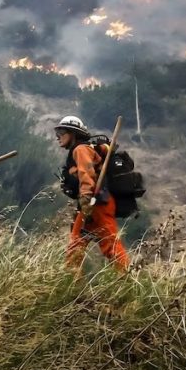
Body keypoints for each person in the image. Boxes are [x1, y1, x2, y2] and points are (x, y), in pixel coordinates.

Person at [55, 115, 129, 274]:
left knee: (110, 243)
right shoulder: (82, 149)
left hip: (97, 202)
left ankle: (126, 280)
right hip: (89, 204)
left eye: (61, 132)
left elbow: (86, 173)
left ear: (73, 133)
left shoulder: (81, 149)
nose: (58, 137)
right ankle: (70, 281)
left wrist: (86, 198)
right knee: (77, 242)